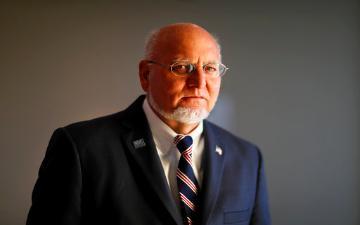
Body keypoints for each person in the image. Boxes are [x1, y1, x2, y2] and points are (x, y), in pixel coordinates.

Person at [27, 23, 271, 225]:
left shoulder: (248, 157)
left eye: (209, 68)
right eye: (183, 67)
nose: (199, 82)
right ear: (145, 75)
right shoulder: (82, 148)